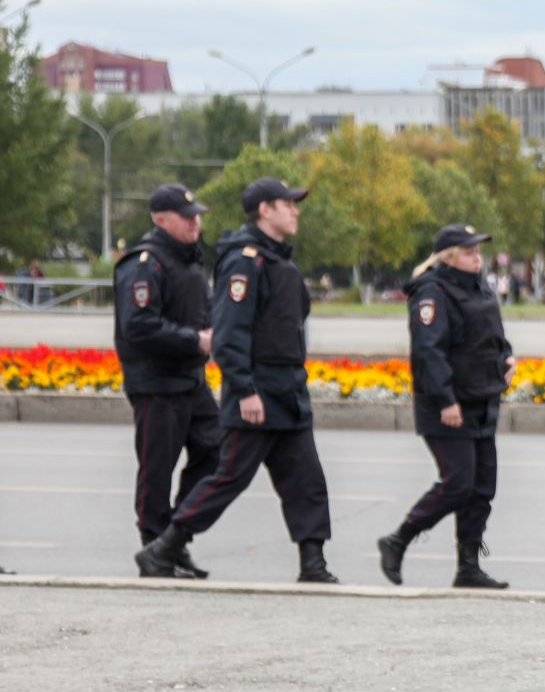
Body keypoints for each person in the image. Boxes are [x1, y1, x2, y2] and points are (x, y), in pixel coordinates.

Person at [136, 178, 338, 583]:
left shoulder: (278, 259)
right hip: (258, 392)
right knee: (228, 478)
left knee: (306, 480)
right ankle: (163, 549)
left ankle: (313, 564)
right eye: (288, 204)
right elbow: (229, 334)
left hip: (287, 391)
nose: (296, 211)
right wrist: (244, 389)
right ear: (265, 210)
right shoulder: (245, 261)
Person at [377, 224, 515, 589]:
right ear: (449, 257)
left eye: (478, 251)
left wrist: (507, 357)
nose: (477, 257)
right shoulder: (431, 292)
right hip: (448, 405)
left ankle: (468, 566)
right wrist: (445, 400)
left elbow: (491, 335)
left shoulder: (479, 286)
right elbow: (428, 351)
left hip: (482, 398)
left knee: (482, 487)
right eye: (469, 252)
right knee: (458, 483)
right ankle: (398, 540)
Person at [114, 184, 220, 579]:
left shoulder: (189, 261)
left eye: (197, 214)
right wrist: (195, 340)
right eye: (187, 216)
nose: (197, 221)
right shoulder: (145, 263)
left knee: (217, 452)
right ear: (161, 220)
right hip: (156, 382)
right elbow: (138, 326)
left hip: (191, 379)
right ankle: (155, 547)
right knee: (157, 469)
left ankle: (174, 537)